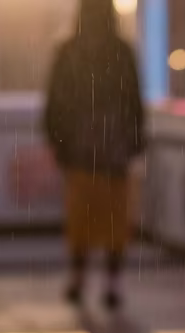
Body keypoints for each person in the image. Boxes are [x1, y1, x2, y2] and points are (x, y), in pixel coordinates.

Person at [44, 0, 144, 308]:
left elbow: (55, 100)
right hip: (115, 151)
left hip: (79, 150)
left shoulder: (67, 51)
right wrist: (135, 140)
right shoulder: (123, 51)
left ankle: (78, 277)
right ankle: (112, 282)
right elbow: (134, 100)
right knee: (115, 217)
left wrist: (57, 141)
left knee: (81, 216)